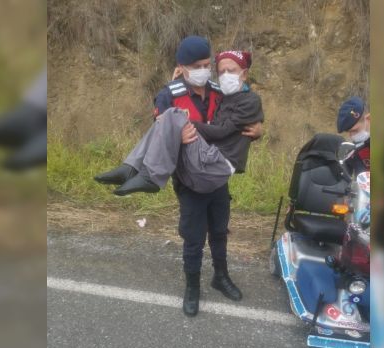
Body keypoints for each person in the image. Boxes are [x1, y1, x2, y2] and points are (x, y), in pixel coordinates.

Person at [95, 36, 263, 316]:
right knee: (194, 237)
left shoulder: (218, 90)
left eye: (207, 65)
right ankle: (192, 287)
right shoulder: (169, 94)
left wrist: (258, 131)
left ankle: (221, 277)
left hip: (217, 175)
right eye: (197, 66)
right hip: (189, 179)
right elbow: (160, 133)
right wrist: (177, 132)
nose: (204, 71)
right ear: (182, 67)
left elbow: (238, 117)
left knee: (219, 230)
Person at [336, 96, 371, 174]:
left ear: (369, 119)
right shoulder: (355, 150)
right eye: (349, 132)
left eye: (355, 130)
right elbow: (344, 173)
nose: (351, 136)